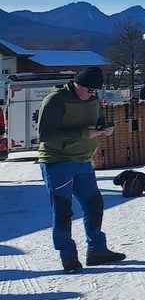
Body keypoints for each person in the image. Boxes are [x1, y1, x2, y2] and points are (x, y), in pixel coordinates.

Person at [36, 66, 126, 272]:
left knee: (94, 206)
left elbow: (98, 120)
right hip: (57, 162)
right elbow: (45, 135)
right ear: (77, 85)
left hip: (84, 161)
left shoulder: (93, 99)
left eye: (96, 92)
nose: (92, 95)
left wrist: (105, 128)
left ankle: (97, 251)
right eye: (90, 90)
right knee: (63, 211)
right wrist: (84, 134)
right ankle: (68, 257)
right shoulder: (55, 100)